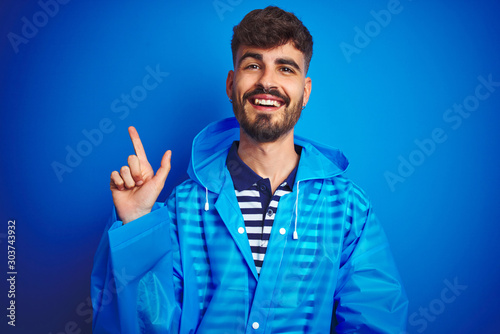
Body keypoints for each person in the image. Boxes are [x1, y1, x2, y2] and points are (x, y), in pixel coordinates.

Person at [91, 6, 408, 333]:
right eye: (253, 65)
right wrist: (136, 224)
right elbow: (146, 325)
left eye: (285, 68)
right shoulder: (182, 207)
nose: (267, 81)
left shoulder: (347, 209)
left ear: (306, 91)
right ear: (231, 84)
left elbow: (376, 322)